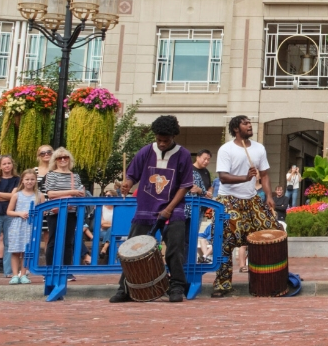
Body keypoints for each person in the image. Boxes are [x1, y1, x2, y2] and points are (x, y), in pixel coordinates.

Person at [110, 115, 193, 303]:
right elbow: (132, 175)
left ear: (173, 137)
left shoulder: (184, 154)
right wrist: (127, 183)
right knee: (131, 249)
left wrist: (170, 208)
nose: (162, 143)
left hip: (174, 208)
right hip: (146, 208)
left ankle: (177, 286)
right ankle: (125, 288)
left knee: (174, 248)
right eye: (159, 140)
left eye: (166, 140)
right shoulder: (146, 151)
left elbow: (185, 185)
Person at [212, 115, 277, 298]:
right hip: (229, 199)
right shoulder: (226, 149)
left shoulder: (259, 148)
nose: (249, 125)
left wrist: (269, 197)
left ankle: (269, 279)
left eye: (250, 123)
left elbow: (264, 175)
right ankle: (222, 285)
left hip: (251, 199)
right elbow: (223, 177)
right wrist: (245, 178)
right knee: (225, 240)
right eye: (245, 123)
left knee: (272, 231)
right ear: (235, 129)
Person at [43, 148, 87, 269]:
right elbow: (50, 193)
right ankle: (50, 270)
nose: (63, 159)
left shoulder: (75, 176)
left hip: (71, 211)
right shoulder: (51, 175)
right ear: (55, 160)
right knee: (53, 241)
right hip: (54, 212)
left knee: (68, 242)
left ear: (69, 159)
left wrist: (80, 193)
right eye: (59, 158)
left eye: (65, 157)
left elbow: (79, 193)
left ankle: (67, 270)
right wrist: (72, 191)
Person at [5, 168, 41, 283]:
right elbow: (9, 211)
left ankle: (24, 274)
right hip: (18, 225)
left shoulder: (39, 196)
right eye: (27, 179)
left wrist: (36, 213)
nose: (29, 182)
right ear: (22, 181)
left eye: (32, 179)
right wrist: (19, 213)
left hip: (31, 226)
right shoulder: (17, 195)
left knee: (27, 251)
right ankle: (15, 274)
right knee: (16, 250)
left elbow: (43, 211)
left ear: (35, 181)